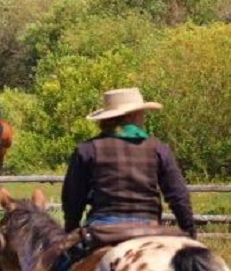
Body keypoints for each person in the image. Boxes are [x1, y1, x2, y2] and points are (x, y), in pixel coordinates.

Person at [62, 87, 196, 239]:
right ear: (134, 115)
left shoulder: (87, 150)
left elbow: (73, 198)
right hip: (149, 226)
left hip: (102, 228)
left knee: (62, 261)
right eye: (142, 113)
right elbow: (178, 195)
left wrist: (70, 230)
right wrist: (189, 231)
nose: (143, 117)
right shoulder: (159, 148)